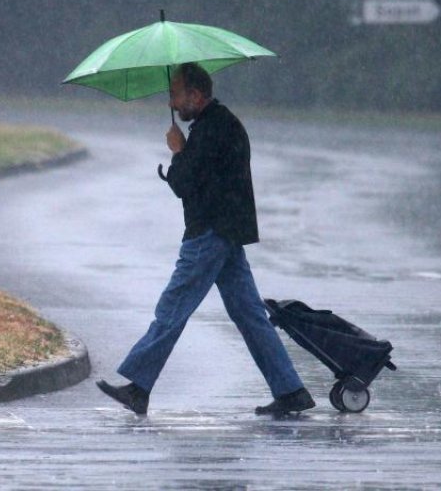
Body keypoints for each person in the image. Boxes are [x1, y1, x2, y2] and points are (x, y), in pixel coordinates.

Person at [96, 62, 314, 416]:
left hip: (210, 233)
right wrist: (185, 151)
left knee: (172, 307)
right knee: (249, 314)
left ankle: (138, 386)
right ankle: (290, 390)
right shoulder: (222, 123)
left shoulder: (210, 131)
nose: (172, 102)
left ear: (195, 95)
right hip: (228, 232)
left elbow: (185, 185)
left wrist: (178, 150)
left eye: (175, 94)